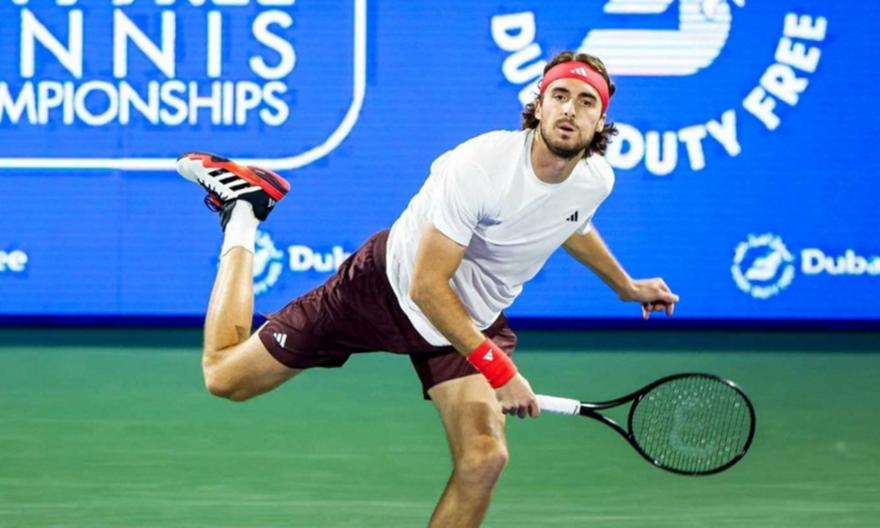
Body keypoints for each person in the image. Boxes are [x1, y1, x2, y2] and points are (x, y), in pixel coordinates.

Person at [176, 50, 679, 527]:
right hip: (384, 292)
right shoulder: (480, 168)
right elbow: (427, 288)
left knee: (484, 458)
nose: (570, 109)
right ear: (539, 105)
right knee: (225, 378)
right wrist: (499, 370)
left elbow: (571, 222)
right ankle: (243, 212)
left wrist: (625, 286)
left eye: (586, 101)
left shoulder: (595, 180)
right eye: (560, 96)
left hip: (466, 325)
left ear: (601, 121)